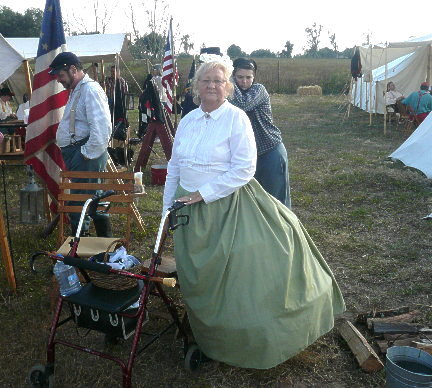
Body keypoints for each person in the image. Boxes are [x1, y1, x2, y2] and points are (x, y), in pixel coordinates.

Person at [162, 61, 345, 369]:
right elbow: (174, 168)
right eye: (206, 80)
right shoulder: (188, 121)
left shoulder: (236, 118)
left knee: (238, 273)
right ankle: (207, 330)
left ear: (227, 87)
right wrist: (168, 207)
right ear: (196, 87)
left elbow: (244, 169)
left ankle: (242, 337)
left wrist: (202, 195)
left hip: (226, 205)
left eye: (219, 81)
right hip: (188, 210)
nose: (212, 86)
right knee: (200, 277)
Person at [49, 51, 112, 237]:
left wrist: (85, 154)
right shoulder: (79, 89)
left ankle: (80, 241)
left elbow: (102, 128)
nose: (59, 80)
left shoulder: (90, 90)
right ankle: (101, 241)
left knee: (79, 201)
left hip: (85, 154)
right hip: (80, 152)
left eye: (60, 75)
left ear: (73, 70)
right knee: (92, 196)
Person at [230, 58, 291, 208]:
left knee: (276, 200)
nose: (244, 81)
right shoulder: (230, 93)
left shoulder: (258, 90)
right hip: (248, 155)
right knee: (254, 200)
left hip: (270, 150)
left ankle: (284, 229)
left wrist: (229, 82)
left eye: (248, 77)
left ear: (254, 77)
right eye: (240, 77)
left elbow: (243, 104)